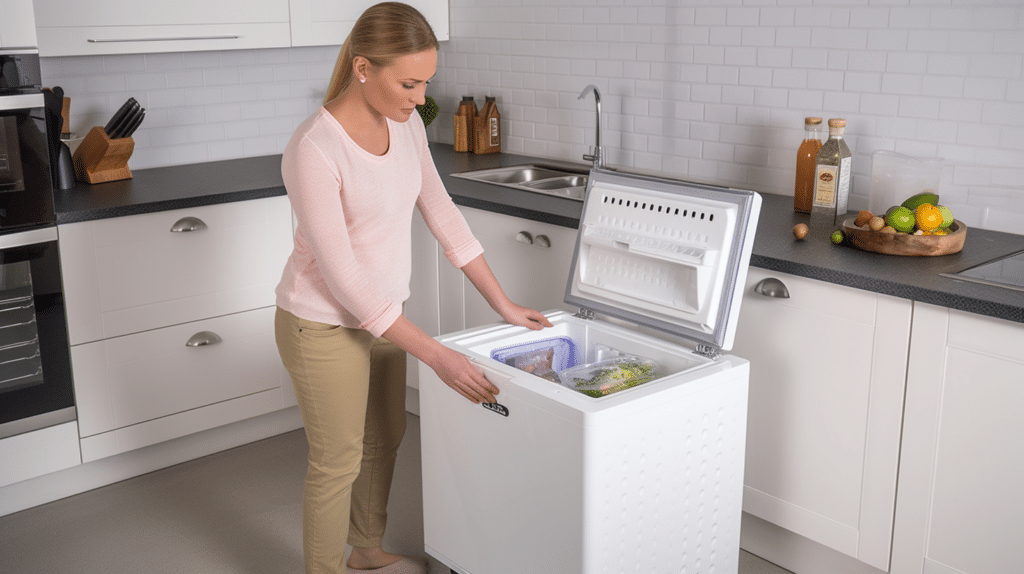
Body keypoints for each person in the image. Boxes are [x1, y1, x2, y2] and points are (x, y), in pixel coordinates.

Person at [274, 3, 552, 573]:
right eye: (409, 82)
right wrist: (438, 356)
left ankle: (366, 553)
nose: (422, 97)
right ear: (362, 69)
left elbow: (444, 216)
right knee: (337, 461)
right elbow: (343, 274)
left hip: (383, 317)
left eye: (427, 81)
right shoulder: (313, 148)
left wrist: (502, 303)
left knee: (386, 437)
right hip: (322, 323)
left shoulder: (407, 128)